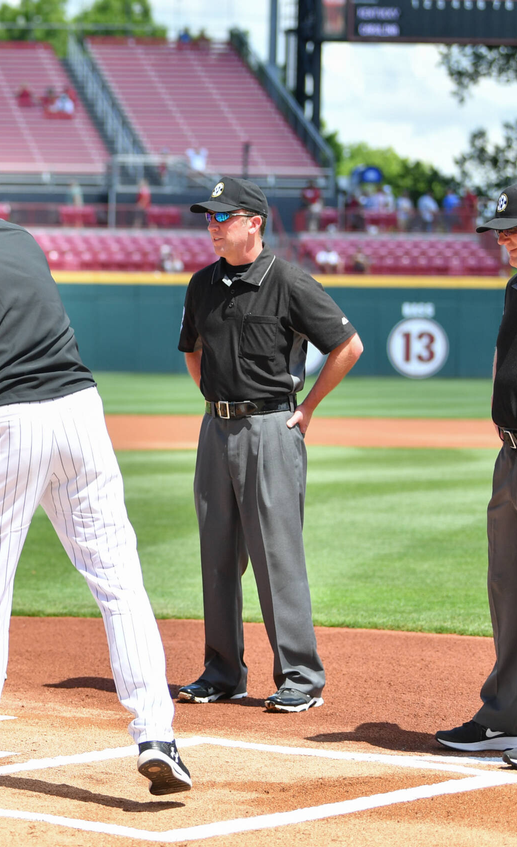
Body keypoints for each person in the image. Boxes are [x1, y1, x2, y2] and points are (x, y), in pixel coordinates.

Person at [0, 143, 191, 799]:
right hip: (79, 412)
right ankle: (157, 736)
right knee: (118, 581)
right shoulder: (21, 240)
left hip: (4, 425)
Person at [177, 177, 363, 713]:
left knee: (277, 556)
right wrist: (216, 400)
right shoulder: (201, 283)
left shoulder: (288, 280)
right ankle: (223, 672)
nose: (212, 226)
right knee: (217, 556)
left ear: (254, 222)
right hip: (216, 430)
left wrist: (309, 408)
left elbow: (348, 345)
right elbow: (192, 349)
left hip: (271, 430)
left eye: (222, 217)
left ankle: (301, 678)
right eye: (208, 218)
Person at [436, 183, 517, 757]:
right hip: (511, 454)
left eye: (513, 230)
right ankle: (506, 716)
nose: (503, 241)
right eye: (499, 232)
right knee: (509, 590)